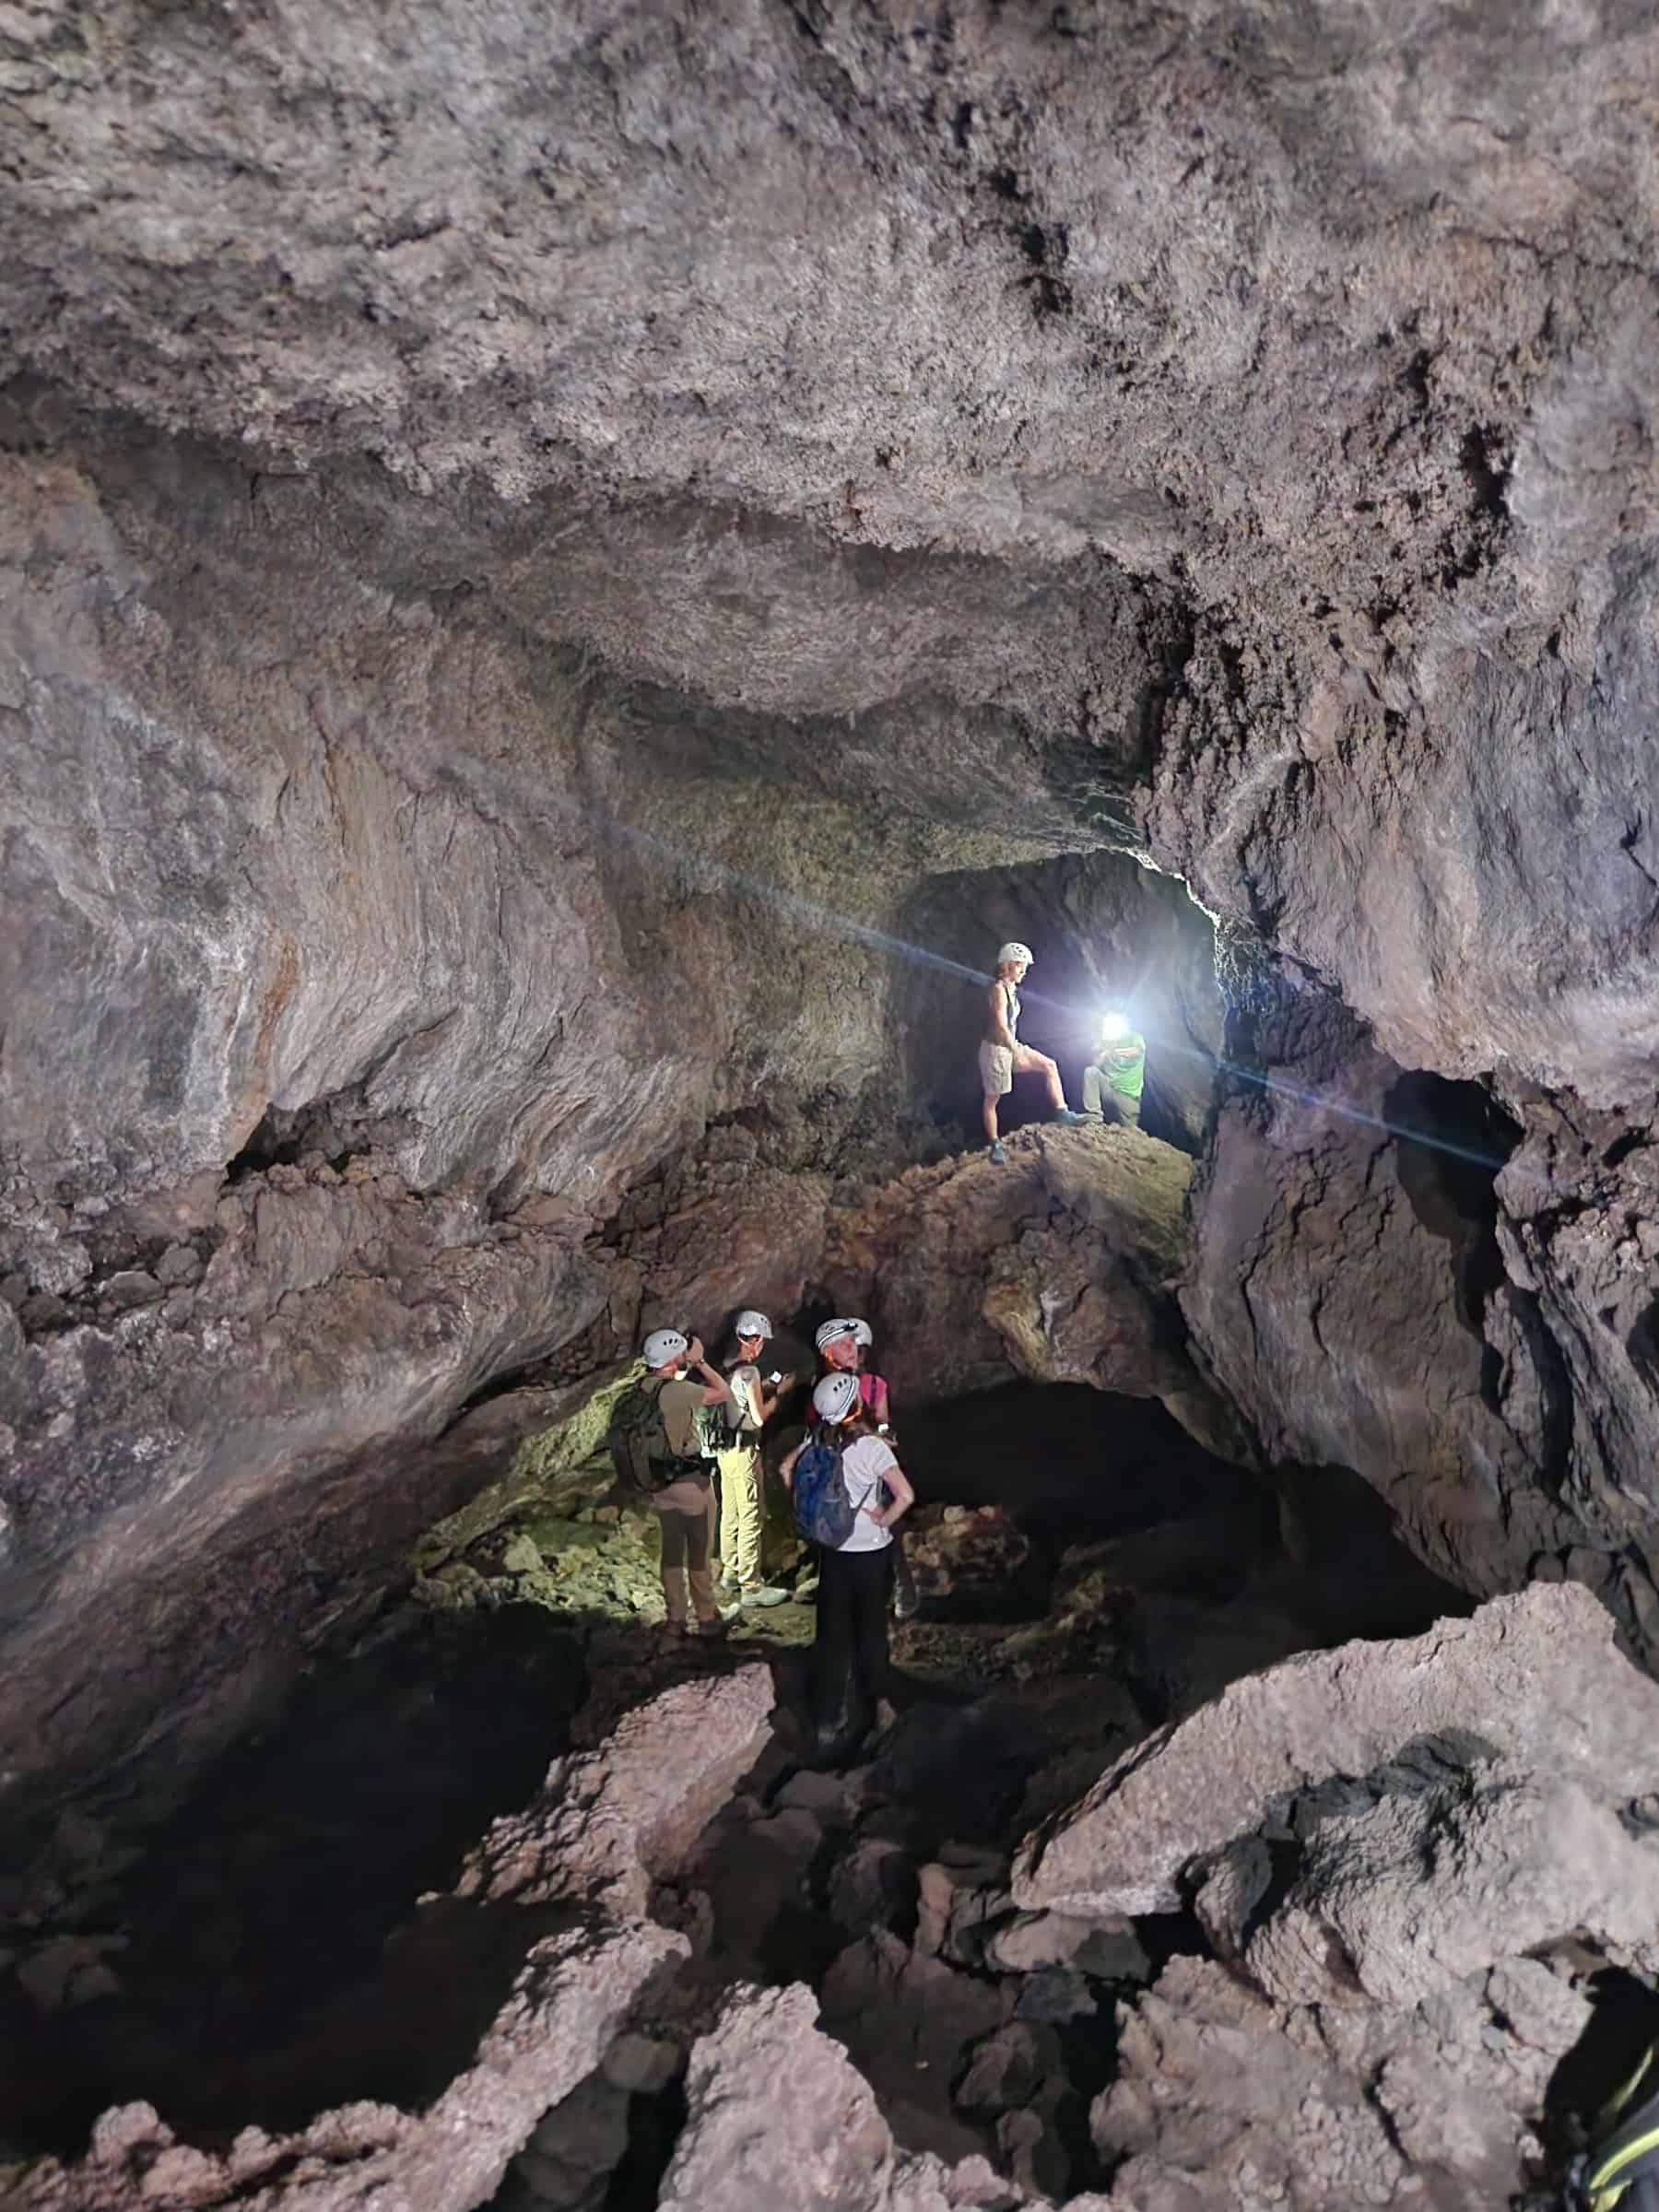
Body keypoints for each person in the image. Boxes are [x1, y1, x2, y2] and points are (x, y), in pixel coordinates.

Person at [782, 1371, 915, 1760]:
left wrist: (811, 1514)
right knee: (871, 1632)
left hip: (834, 1550)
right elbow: (906, 1494)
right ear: (856, 1404)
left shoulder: (815, 1440)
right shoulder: (873, 1447)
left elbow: (785, 1471)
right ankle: (877, 1716)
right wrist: (883, 1520)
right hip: (870, 1553)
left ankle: (827, 1722)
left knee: (832, 1636)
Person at [636, 1327, 734, 1638]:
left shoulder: (641, 1388)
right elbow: (723, 1392)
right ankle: (706, 1617)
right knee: (699, 1552)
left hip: (659, 1485)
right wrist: (701, 1362)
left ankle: (676, 1618)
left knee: (672, 1551)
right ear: (671, 1358)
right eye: (680, 1354)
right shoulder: (679, 1391)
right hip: (690, 1484)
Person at [981, 941, 1088, 1164]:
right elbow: (1001, 1025)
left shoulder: (1012, 988)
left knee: (1049, 1065)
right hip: (996, 1051)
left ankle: (1062, 1113)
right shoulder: (999, 990)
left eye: (1024, 967)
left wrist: (1015, 1048)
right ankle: (995, 1145)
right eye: (1020, 966)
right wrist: (1014, 1051)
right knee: (992, 1100)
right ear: (1007, 965)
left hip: (1011, 1045)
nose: (1024, 971)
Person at [714, 1309, 794, 1609]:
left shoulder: (726, 1366)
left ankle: (730, 1571)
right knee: (750, 1516)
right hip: (744, 1451)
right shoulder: (749, 1372)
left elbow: (741, 1399)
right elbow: (759, 1417)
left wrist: (769, 1386)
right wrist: (780, 1394)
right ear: (755, 1340)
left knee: (731, 1513)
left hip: (724, 1452)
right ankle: (751, 1586)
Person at [1083, 1011, 1147, 1129]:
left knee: (1130, 1133)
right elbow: (1095, 1065)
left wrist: (1115, 1051)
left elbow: (1137, 1051)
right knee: (1091, 1072)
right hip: (1109, 1089)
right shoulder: (1106, 1040)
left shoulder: (1134, 1037)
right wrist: (1101, 1052)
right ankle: (1094, 1116)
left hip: (1128, 1097)